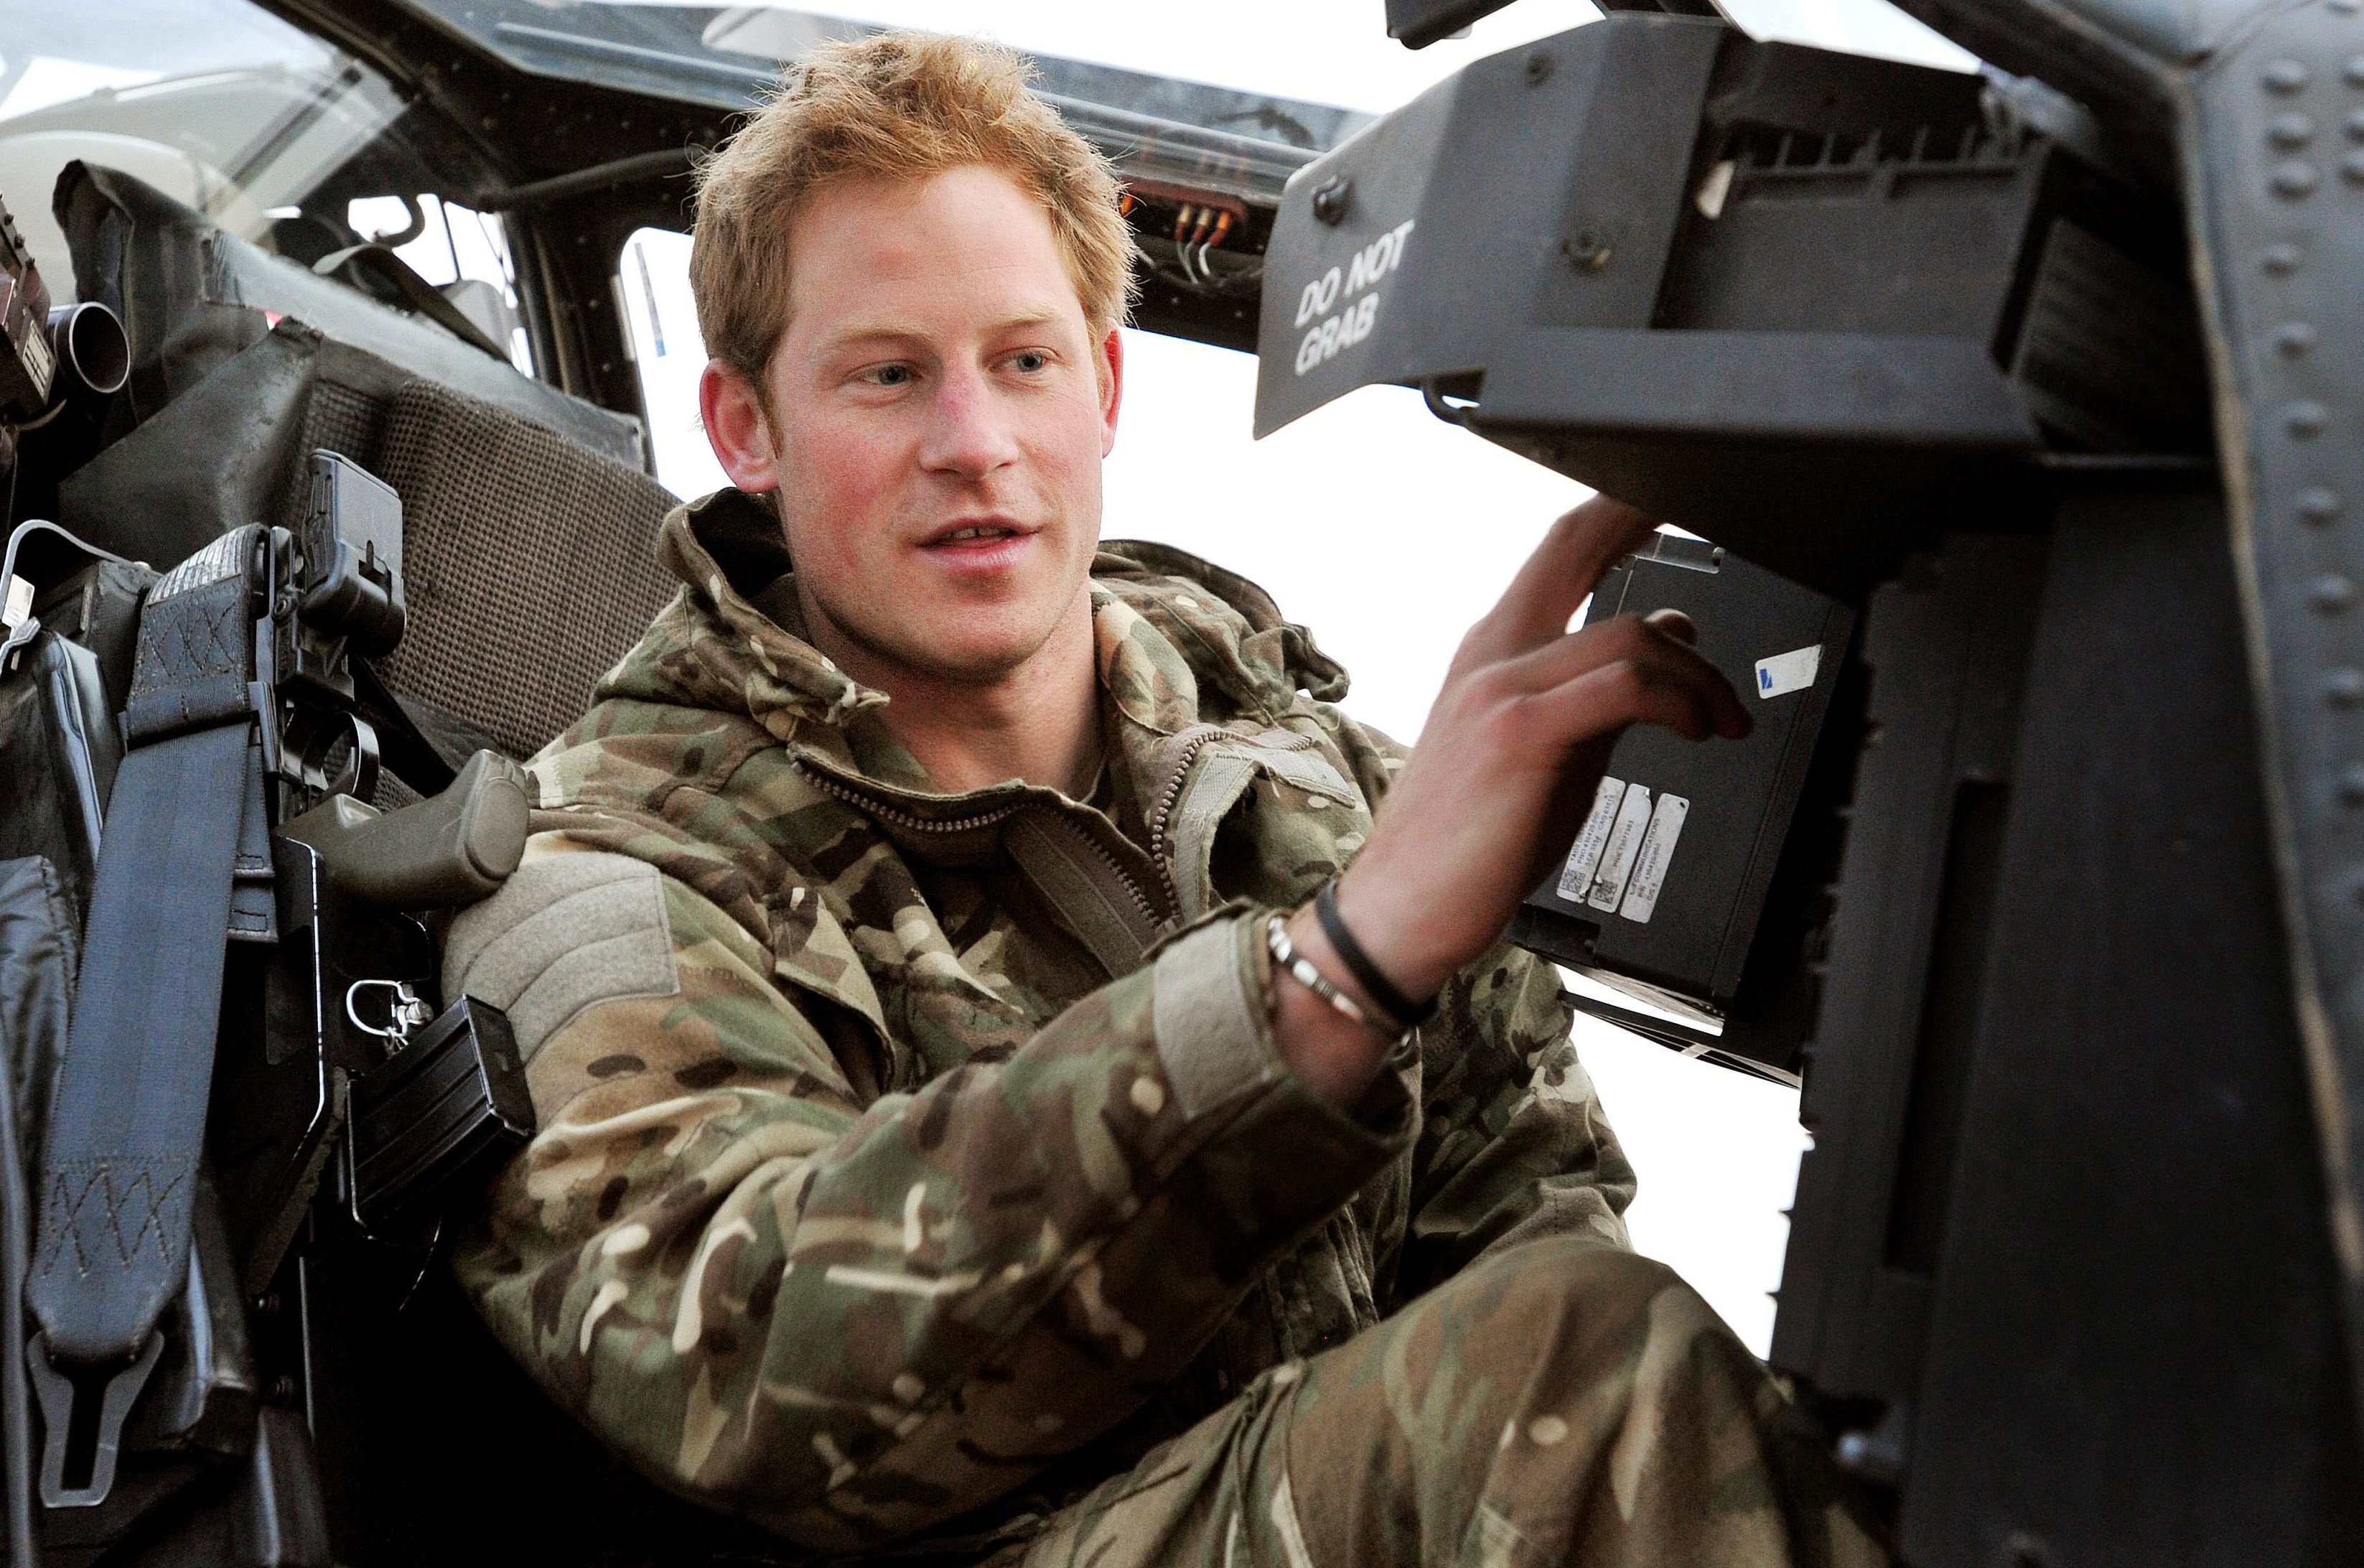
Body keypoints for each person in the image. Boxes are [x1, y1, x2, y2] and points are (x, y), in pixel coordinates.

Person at [444, 29, 1886, 1567]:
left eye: (1024, 360)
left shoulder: (1309, 775)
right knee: (1564, 1367)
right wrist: (1325, 984)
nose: (974, 444)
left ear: (1107, 384)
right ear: (746, 431)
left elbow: (1528, 1222)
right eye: (887, 376)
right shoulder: (600, 874)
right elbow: (745, 1371)